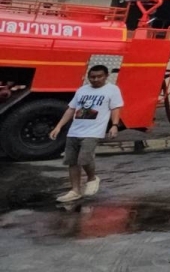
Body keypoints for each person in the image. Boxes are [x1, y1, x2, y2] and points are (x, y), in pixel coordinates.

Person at [48, 64, 123, 202]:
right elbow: (71, 109)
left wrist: (114, 125)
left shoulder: (112, 90)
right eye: (92, 77)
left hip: (93, 131)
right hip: (75, 130)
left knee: (85, 158)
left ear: (106, 76)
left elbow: (115, 109)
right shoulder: (82, 90)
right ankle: (75, 190)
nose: (95, 79)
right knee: (72, 161)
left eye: (99, 76)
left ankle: (92, 178)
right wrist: (58, 127)